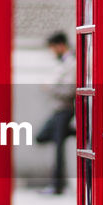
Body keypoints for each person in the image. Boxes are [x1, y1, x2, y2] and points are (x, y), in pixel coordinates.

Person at [34, 31, 75, 194]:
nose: (51, 52)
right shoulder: (62, 62)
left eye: (52, 48)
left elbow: (70, 89)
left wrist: (50, 87)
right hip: (57, 110)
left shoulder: (72, 63)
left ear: (60, 45)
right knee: (41, 136)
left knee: (59, 149)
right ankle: (74, 132)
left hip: (65, 110)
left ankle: (57, 186)